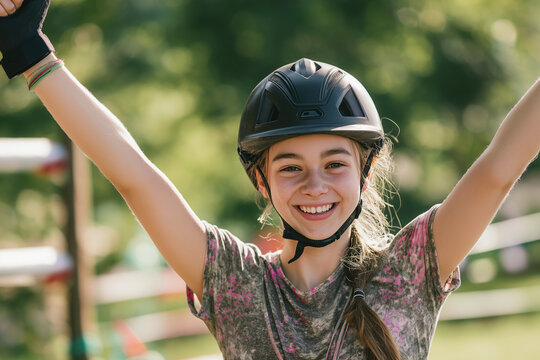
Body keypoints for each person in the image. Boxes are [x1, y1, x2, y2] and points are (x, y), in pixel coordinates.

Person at [1, 1, 539, 359]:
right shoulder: (236, 284)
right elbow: (134, 175)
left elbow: (497, 170)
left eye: (335, 164)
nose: (315, 185)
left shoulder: (408, 270)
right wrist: (30, 51)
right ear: (262, 182)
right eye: (290, 168)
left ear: (366, 172)